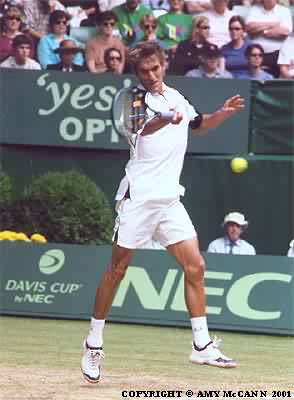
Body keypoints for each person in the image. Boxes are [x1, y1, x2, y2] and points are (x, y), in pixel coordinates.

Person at [80, 41, 245, 383]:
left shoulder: (178, 97)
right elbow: (146, 127)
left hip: (170, 200)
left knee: (195, 266)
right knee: (117, 270)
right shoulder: (135, 101)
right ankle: (93, 344)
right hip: (139, 199)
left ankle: (201, 345)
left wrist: (221, 114)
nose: (152, 75)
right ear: (137, 73)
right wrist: (166, 117)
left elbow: (198, 124)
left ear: (163, 64)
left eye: (156, 68)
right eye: (144, 71)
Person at [245, 0, 293, 77]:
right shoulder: (254, 9)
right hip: (256, 53)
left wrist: (260, 31)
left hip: (277, 54)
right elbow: (249, 28)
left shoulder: (284, 11)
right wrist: (272, 24)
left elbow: (284, 32)